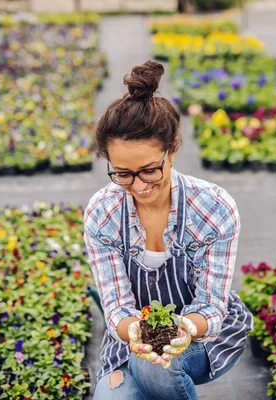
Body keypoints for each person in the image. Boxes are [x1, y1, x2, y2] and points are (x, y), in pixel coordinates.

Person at [84, 60, 253, 400]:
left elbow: (211, 305)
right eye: (122, 173)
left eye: (149, 170)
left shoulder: (214, 208)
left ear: (172, 149)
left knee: (156, 365)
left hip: (203, 336)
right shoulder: (103, 213)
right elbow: (116, 305)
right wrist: (137, 332)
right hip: (129, 338)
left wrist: (184, 328)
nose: (138, 185)